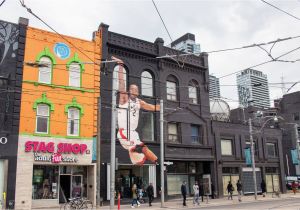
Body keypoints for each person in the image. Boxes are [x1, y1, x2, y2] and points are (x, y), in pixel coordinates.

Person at [112, 56, 160, 165]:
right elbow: (121, 83)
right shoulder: (124, 99)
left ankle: (156, 161)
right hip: (124, 132)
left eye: (136, 89)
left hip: (134, 133)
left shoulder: (140, 102)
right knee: (133, 148)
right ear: (129, 91)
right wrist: (120, 66)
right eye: (133, 89)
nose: (135, 90)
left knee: (144, 147)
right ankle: (137, 159)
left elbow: (153, 108)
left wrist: (161, 106)